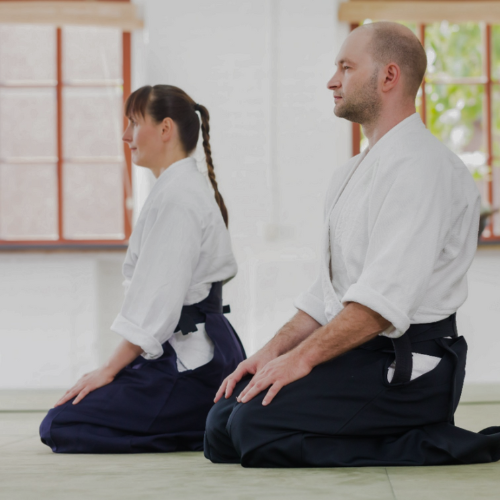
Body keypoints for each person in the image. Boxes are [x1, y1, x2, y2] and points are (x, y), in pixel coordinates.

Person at [204, 22, 500, 467]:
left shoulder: (424, 168)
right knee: (220, 424)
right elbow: (328, 297)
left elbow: (380, 306)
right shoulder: (350, 174)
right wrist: (270, 354)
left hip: (409, 368)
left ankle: (433, 439)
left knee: (252, 428)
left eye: (346, 67)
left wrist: (301, 360)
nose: (332, 80)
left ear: (389, 76)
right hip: (357, 354)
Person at [40, 85, 246, 453]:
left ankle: (204, 422)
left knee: (60, 424)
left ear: (165, 129)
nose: (126, 135)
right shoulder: (179, 189)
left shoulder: (178, 198)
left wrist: (108, 370)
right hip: (198, 358)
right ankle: (205, 420)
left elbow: (158, 304)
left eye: (134, 123)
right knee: (72, 413)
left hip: (193, 367)